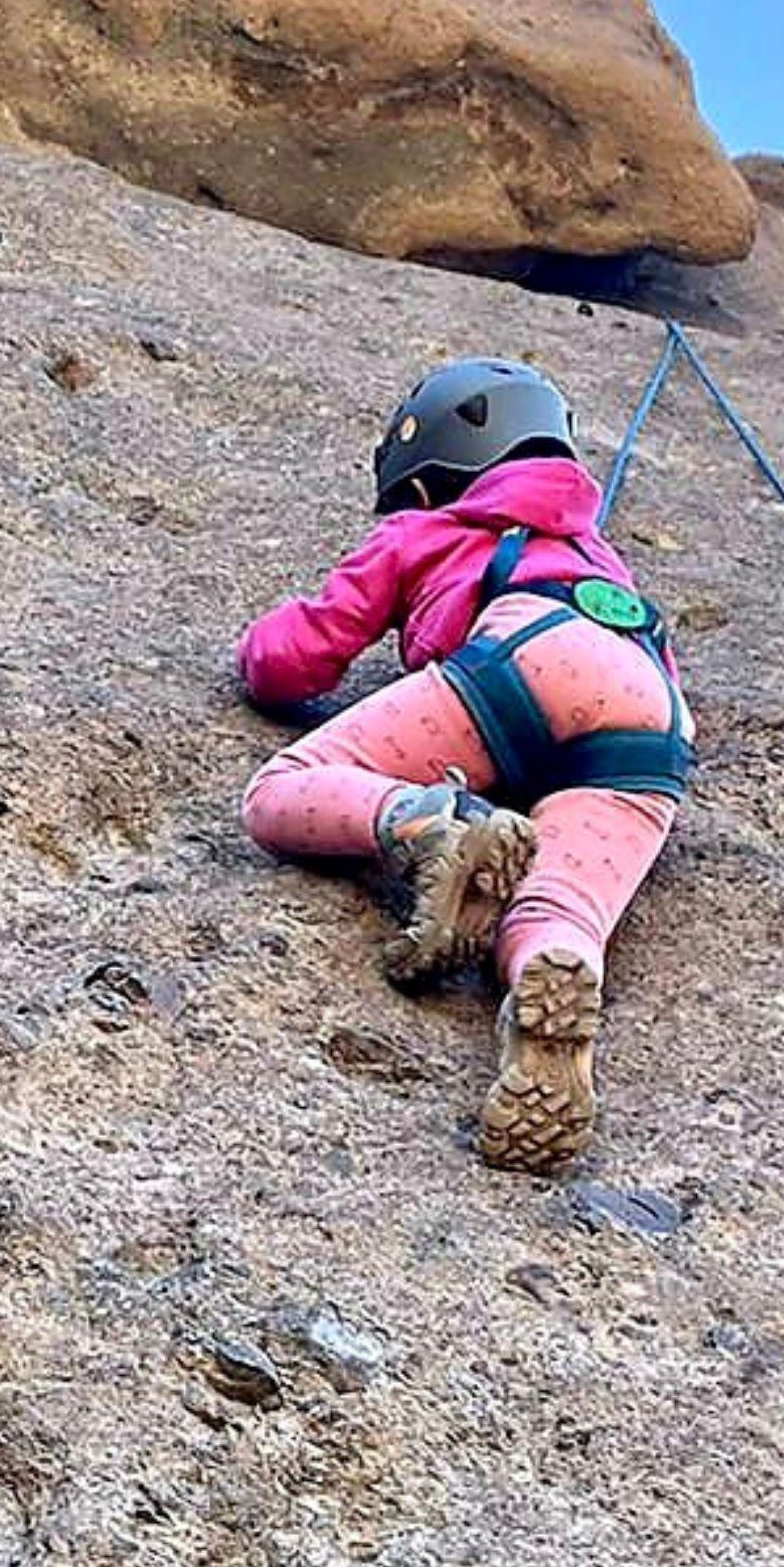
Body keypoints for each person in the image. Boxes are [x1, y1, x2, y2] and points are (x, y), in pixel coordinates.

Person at [237, 358, 691, 1171]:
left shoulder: (423, 528)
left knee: (277, 791)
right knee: (564, 907)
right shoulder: (598, 555)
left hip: (521, 658)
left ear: (423, 482)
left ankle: (429, 823)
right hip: (651, 712)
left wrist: (252, 651)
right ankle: (549, 977)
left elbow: (298, 660)